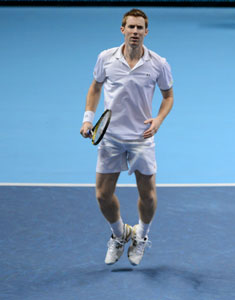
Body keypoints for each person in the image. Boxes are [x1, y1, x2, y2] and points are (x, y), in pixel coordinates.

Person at [79, 8, 174, 266]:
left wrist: (159, 119)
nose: (135, 32)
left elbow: (168, 97)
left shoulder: (158, 63)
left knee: (148, 195)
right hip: (110, 137)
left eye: (139, 28)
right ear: (122, 30)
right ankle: (120, 233)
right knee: (102, 195)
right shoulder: (106, 58)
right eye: (130, 27)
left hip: (142, 137)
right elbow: (95, 87)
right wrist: (88, 118)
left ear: (146, 31)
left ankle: (141, 236)